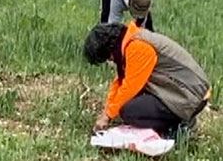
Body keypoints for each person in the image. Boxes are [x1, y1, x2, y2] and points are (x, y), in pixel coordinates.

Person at [83, 22, 211, 138]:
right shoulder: (129, 40)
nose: (110, 61)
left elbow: (129, 88)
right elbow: (120, 82)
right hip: (187, 92)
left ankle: (179, 127)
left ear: (109, 49)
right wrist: (107, 112)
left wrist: (107, 116)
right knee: (132, 105)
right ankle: (180, 117)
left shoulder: (137, 48)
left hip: (191, 96)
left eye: (107, 58)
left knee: (129, 112)